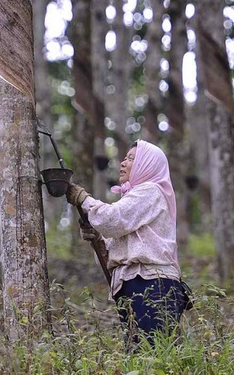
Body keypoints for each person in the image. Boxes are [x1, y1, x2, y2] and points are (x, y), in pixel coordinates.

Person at [65, 139, 191, 350]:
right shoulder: (136, 198)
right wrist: (97, 237)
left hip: (151, 284)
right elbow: (114, 246)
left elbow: (113, 219)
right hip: (134, 284)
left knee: (149, 354)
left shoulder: (150, 190)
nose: (123, 163)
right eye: (124, 158)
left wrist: (84, 199)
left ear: (147, 165)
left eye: (132, 159)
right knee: (141, 353)